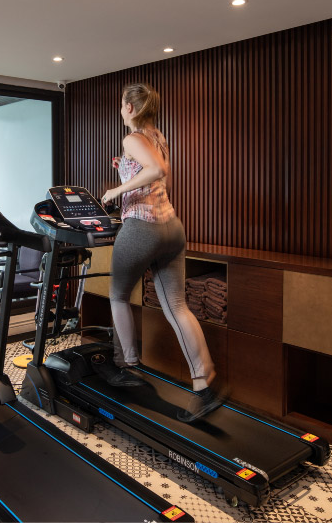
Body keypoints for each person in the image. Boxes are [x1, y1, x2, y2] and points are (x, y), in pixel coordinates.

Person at [100, 82, 225, 421]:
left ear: (129, 107)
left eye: (121, 104)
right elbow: (152, 170)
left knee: (117, 295)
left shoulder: (131, 138)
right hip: (172, 227)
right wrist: (127, 173)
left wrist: (115, 191)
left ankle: (126, 366)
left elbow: (157, 171)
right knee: (177, 306)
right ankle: (204, 383)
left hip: (142, 227)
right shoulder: (157, 136)